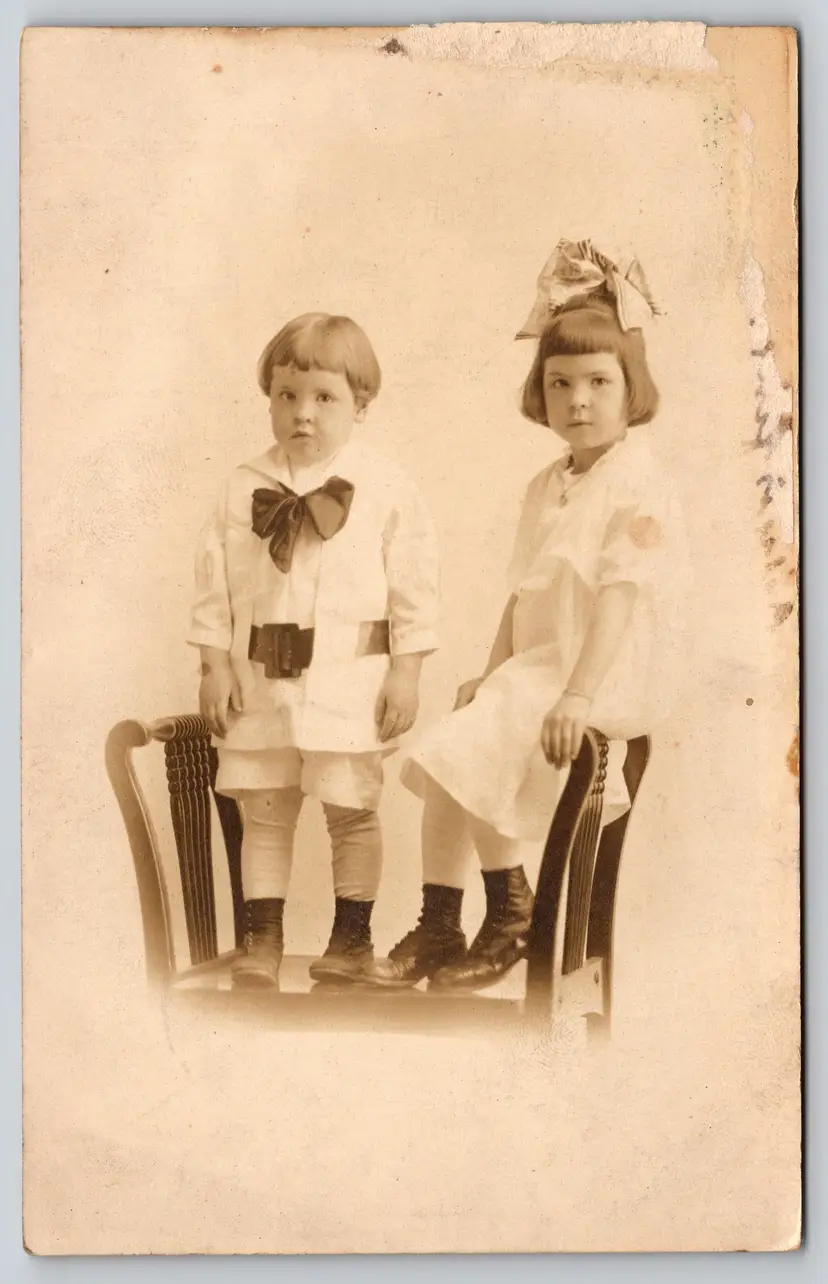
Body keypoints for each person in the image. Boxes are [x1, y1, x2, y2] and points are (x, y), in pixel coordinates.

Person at [363, 239, 689, 993]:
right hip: (538, 668)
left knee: (468, 747)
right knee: (445, 751)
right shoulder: (547, 484)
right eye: (560, 382)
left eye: (599, 382)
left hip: (601, 671)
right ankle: (442, 920)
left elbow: (619, 597)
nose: (578, 400)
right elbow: (523, 591)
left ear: (631, 387)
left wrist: (577, 693)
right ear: (540, 393)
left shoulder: (639, 483)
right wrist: (490, 670)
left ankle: (511, 910)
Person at [187, 312, 439, 987]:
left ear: (361, 403)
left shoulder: (386, 487)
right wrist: (213, 667)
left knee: (350, 811)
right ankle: (261, 940)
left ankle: (351, 940)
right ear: (269, 397)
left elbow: (414, 593)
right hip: (259, 685)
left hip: (348, 686)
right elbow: (213, 588)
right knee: (263, 815)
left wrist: (406, 675)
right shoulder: (242, 486)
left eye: (324, 398)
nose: (302, 414)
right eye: (286, 396)